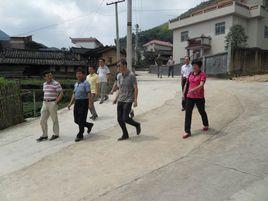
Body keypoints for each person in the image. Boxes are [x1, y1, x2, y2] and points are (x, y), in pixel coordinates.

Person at [113, 59, 141, 141]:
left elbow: (135, 88)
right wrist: (116, 98)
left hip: (129, 99)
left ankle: (136, 124)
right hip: (121, 99)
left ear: (124, 66)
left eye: (119, 66)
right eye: (117, 66)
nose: (118, 67)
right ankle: (125, 134)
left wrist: (135, 100)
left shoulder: (131, 75)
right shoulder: (119, 76)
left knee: (125, 118)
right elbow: (120, 88)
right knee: (119, 119)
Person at [183, 60, 209, 139]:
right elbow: (187, 84)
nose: (194, 67)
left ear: (199, 66)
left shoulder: (202, 75)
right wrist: (183, 94)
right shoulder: (190, 74)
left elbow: (201, 85)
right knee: (188, 113)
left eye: (196, 65)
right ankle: (187, 131)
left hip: (199, 97)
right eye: (193, 65)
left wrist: (192, 90)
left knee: (202, 111)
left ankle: (206, 124)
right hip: (190, 97)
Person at [68, 68, 94, 142]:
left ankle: (80, 134)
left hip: (84, 102)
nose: (78, 75)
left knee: (81, 119)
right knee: (76, 120)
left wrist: (90, 104)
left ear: (83, 75)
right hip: (77, 103)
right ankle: (89, 125)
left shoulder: (86, 83)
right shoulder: (76, 83)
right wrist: (70, 103)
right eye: (77, 73)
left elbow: (89, 94)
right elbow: (74, 94)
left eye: (80, 73)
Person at [37, 72, 64, 142]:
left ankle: (56, 134)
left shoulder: (56, 83)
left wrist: (56, 102)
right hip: (45, 103)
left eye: (50, 75)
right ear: (44, 77)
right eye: (47, 76)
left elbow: (61, 93)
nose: (49, 77)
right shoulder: (44, 84)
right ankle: (44, 135)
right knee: (42, 120)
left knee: (54, 119)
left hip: (52, 103)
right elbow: (45, 92)